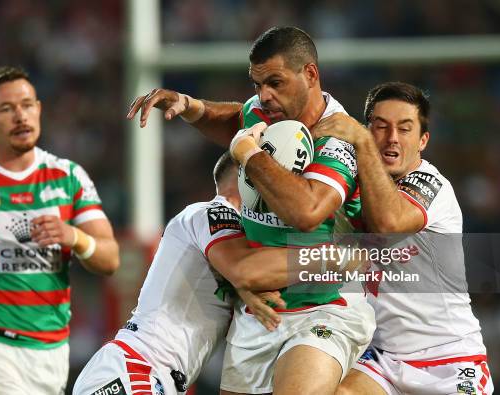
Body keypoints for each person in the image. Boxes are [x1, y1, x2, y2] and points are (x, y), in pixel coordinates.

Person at [128, 26, 375, 395]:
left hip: (324, 307)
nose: (264, 95)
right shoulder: (263, 111)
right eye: (258, 84)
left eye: (275, 82)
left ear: (310, 74)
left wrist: (251, 155)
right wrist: (192, 107)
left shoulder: (337, 138)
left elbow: (307, 212)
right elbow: (237, 119)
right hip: (261, 314)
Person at [73, 151, 357, 395]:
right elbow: (241, 269)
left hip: (151, 374)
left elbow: (244, 273)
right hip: (136, 367)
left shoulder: (238, 242)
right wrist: (326, 258)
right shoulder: (209, 212)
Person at [0, 66, 120, 394]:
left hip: (53, 351)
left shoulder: (69, 177)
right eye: (6, 108)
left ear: (39, 109)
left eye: (27, 105)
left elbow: (111, 259)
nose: (20, 116)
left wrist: (73, 236)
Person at [311, 82, 493, 395]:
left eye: (404, 129)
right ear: (368, 130)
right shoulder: (356, 182)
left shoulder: (431, 184)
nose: (392, 138)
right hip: (383, 360)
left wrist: (361, 144)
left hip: (450, 360)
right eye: (380, 127)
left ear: (423, 140)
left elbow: (388, 222)